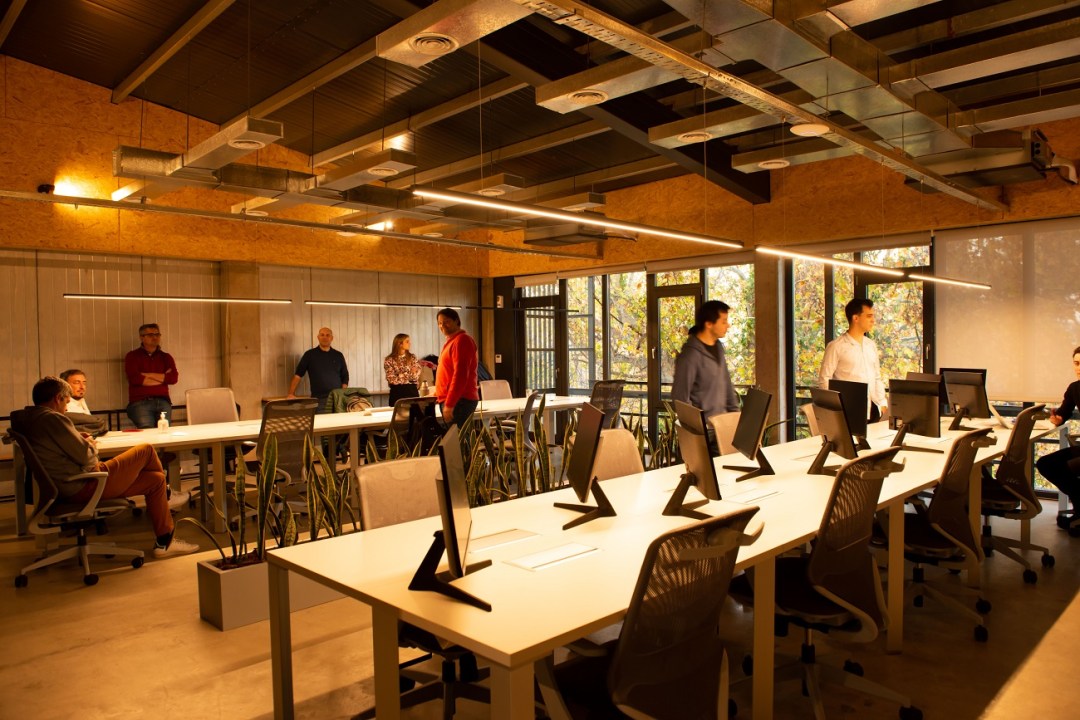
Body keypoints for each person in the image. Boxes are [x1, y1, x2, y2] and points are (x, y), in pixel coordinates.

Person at [10, 377, 198, 558]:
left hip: (66, 485)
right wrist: (89, 444)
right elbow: (88, 459)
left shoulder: (30, 419)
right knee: (146, 450)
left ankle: (165, 542)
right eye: (66, 402)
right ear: (57, 398)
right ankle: (168, 495)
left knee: (155, 480)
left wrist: (78, 440)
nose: (66, 408)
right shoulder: (54, 419)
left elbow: (61, 450)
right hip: (83, 485)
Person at [818, 298, 887, 421]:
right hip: (848, 410)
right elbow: (824, 380)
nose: (873, 320)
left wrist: (882, 403)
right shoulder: (836, 346)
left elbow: (877, 377)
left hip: (873, 409)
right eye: (869, 316)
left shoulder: (871, 345)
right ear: (855, 318)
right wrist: (837, 408)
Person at [671, 300, 739, 420]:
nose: (728, 325)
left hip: (722, 426)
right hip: (705, 428)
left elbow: (727, 386)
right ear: (709, 324)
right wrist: (701, 426)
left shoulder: (718, 347)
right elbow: (680, 399)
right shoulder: (690, 355)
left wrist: (735, 418)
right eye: (723, 321)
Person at [1036, 346, 1080, 528]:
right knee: (1045, 464)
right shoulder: (1075, 388)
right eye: (1076, 363)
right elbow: (1063, 413)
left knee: (1068, 467)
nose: (1079, 368)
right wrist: (1058, 418)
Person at [124, 323, 179, 428]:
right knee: (148, 431)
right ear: (141, 337)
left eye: (157, 334)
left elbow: (173, 378)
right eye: (150, 335)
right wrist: (163, 377)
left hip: (163, 401)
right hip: (140, 402)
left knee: (164, 431)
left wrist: (147, 375)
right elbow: (135, 379)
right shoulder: (132, 356)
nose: (155, 337)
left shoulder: (166, 357)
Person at [434, 308, 479, 428]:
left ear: (457, 321)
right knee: (455, 438)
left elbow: (460, 374)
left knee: (458, 438)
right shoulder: (451, 342)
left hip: (459, 400)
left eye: (446, 321)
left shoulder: (462, 340)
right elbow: (448, 373)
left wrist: (450, 403)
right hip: (452, 399)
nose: (442, 325)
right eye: (440, 323)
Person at [287, 327, 349, 412]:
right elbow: (298, 375)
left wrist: (342, 394)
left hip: (337, 399)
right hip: (319, 400)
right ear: (318, 337)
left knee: (340, 420)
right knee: (321, 421)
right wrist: (291, 393)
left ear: (331, 338)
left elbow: (345, 376)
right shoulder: (309, 355)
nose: (324, 337)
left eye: (327, 335)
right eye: (322, 335)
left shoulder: (338, 355)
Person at [384, 333, 422, 405]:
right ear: (400, 344)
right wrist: (409, 374)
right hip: (397, 393)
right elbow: (391, 379)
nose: (410, 343)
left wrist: (399, 375)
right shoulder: (389, 360)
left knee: (414, 411)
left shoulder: (412, 357)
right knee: (397, 412)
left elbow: (415, 376)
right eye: (407, 341)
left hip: (412, 391)